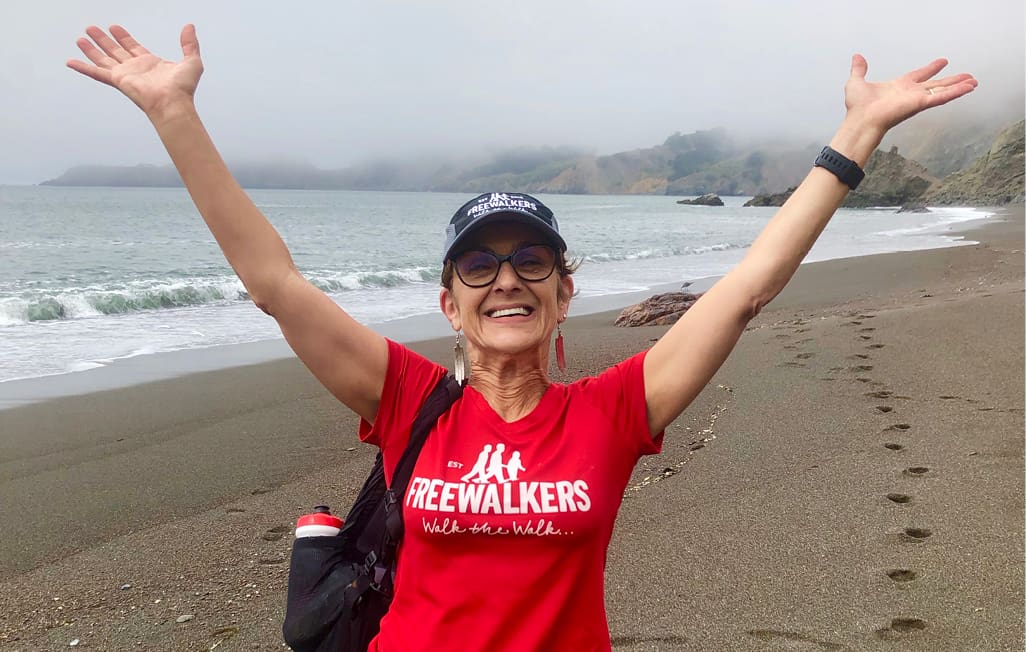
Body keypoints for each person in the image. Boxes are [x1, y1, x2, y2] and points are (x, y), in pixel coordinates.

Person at [67, 24, 977, 652]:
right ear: (450, 303)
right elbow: (275, 283)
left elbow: (744, 291)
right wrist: (173, 115)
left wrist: (855, 133)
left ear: (563, 290)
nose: (507, 276)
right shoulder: (408, 400)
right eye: (480, 265)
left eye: (532, 260)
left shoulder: (615, 410)